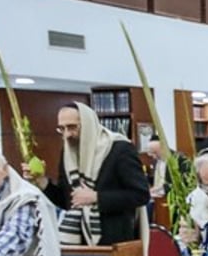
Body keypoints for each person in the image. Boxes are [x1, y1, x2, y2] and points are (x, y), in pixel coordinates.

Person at [26, 102, 149, 245]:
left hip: (115, 241)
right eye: (62, 128)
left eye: (72, 127)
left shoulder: (119, 149)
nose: (67, 135)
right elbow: (67, 201)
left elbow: (140, 195)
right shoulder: (68, 154)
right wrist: (42, 181)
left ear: (88, 124)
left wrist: (97, 197)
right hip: (78, 240)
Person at [145, 136, 192, 200]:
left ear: (163, 148)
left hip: (174, 199)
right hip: (157, 198)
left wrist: (163, 188)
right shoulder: (157, 160)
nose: (154, 157)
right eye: (152, 154)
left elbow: (183, 181)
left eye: (155, 153)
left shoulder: (179, 159)